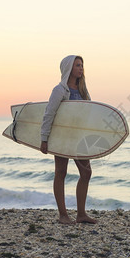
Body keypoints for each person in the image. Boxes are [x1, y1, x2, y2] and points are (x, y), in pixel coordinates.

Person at [40, 55, 97, 224]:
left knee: (86, 173)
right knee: (61, 172)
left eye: (82, 65)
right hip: (63, 137)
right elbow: (49, 114)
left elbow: (88, 114)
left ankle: (81, 214)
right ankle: (63, 215)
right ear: (68, 68)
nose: (81, 68)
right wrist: (44, 138)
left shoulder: (83, 91)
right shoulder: (60, 90)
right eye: (77, 65)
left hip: (79, 138)